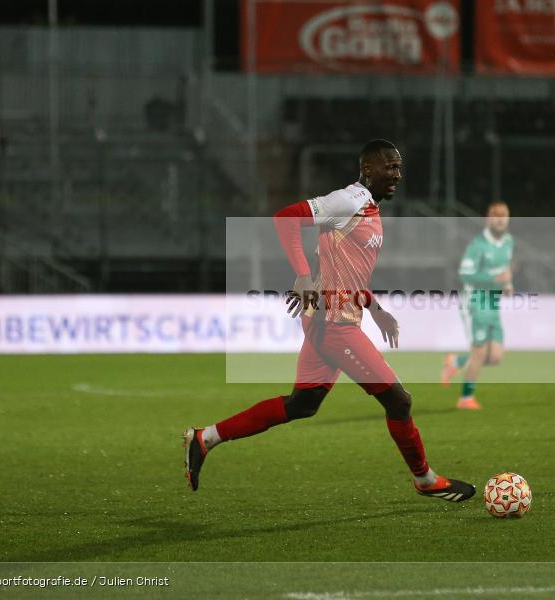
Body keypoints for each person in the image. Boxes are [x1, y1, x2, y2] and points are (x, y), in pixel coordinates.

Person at [183, 139, 475, 502]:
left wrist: (374, 308)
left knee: (301, 404)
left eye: (400, 167)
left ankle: (205, 438)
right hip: (334, 325)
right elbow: (286, 218)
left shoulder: (367, 208)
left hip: (332, 317)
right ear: (368, 169)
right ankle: (426, 480)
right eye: (391, 167)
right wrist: (303, 275)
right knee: (399, 402)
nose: (397, 174)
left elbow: (345, 269)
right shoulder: (348, 200)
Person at [440, 201, 514, 410]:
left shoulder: (508, 242)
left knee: (496, 357)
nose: (500, 219)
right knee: (480, 353)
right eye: (495, 215)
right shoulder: (478, 245)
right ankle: (465, 399)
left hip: (492, 302)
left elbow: (505, 269)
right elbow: (465, 273)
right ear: (488, 219)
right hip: (475, 302)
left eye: (504, 215)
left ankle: (456, 362)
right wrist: (494, 278)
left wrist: (507, 284)